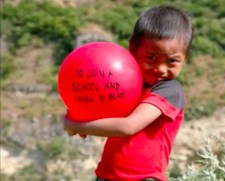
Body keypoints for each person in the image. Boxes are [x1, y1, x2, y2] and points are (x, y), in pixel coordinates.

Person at [63, 5, 193, 181]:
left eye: (172, 61)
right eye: (151, 58)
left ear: (185, 57)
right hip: (106, 176)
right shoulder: (125, 86)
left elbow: (129, 126)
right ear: (133, 48)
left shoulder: (169, 90)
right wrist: (79, 118)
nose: (161, 69)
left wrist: (77, 125)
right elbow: (100, 113)